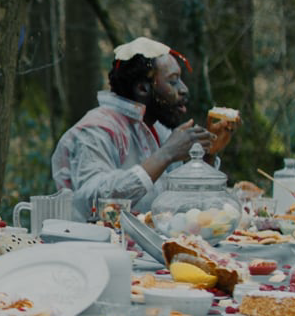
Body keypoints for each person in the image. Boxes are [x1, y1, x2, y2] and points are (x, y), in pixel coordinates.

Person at [51, 37, 237, 221]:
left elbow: (183, 204)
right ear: (142, 88)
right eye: (173, 81)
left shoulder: (158, 128)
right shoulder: (95, 130)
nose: (184, 89)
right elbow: (92, 201)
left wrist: (208, 155)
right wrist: (166, 154)